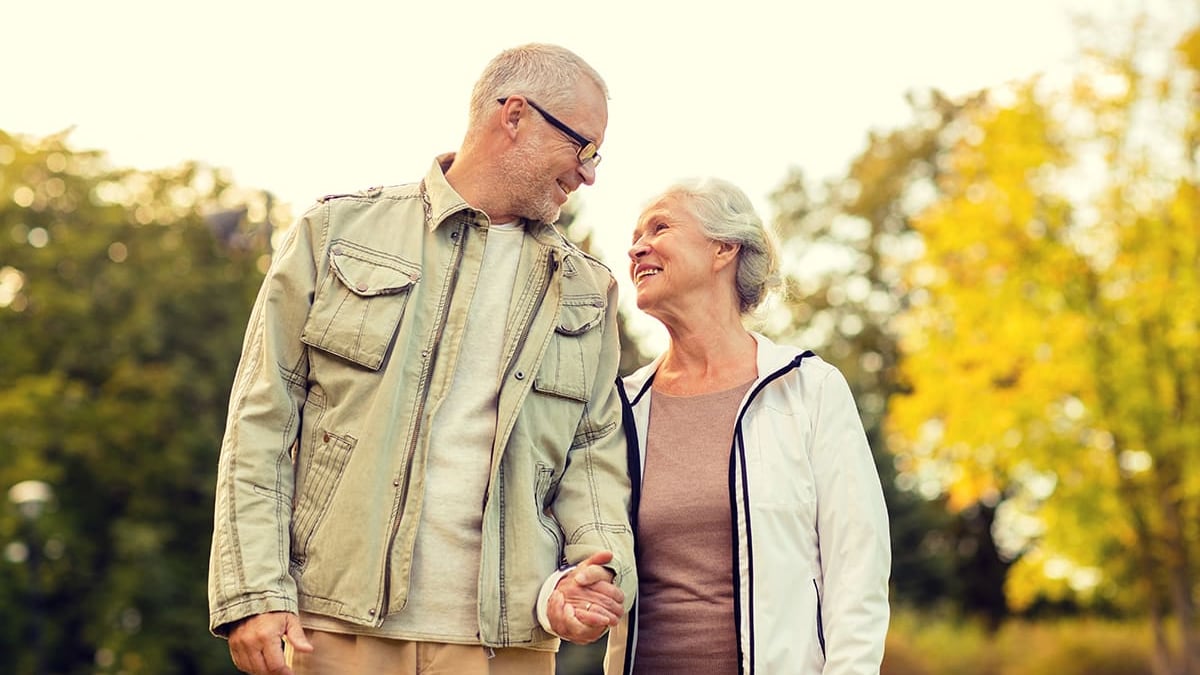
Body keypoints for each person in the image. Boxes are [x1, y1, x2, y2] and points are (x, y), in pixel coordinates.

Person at [207, 43, 636, 675]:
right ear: (514, 115)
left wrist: (592, 573)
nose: (590, 174)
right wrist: (253, 592)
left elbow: (593, 459)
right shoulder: (334, 235)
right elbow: (261, 421)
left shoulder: (588, 290)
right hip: (330, 628)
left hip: (506, 645)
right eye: (584, 148)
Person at [605, 178, 891, 674]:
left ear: (724, 248)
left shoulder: (807, 390)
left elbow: (858, 570)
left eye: (660, 226)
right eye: (634, 236)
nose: (637, 247)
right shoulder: (622, 407)